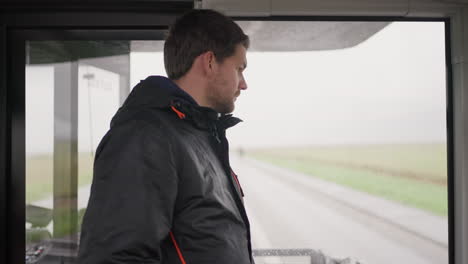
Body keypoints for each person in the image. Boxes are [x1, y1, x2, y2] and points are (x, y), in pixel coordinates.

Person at [77, 9, 254, 264]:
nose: (243, 83)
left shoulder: (198, 136)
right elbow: (113, 257)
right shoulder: (145, 137)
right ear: (210, 62)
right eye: (239, 69)